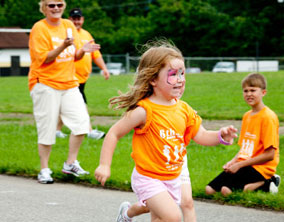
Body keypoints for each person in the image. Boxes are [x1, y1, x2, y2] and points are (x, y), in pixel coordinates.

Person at [94, 40, 238, 222]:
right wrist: (104, 165)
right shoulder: (144, 111)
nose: (180, 79)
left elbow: (200, 135)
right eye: (173, 74)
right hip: (148, 178)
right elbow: (114, 133)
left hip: (172, 177)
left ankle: (126, 215)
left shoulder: (184, 109)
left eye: (182, 73)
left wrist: (220, 136)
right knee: (173, 216)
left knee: (160, 218)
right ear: (153, 79)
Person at [29, 0, 101, 184]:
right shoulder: (40, 28)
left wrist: (82, 51)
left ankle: (70, 163)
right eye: (51, 5)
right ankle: (44, 169)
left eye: (59, 5)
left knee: (82, 124)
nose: (56, 8)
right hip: (45, 83)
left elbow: (74, 54)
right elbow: (44, 59)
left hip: (69, 83)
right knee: (47, 128)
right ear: (44, 8)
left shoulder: (68, 25)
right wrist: (62, 46)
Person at [205, 73, 281, 196]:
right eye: (246, 91)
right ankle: (250, 185)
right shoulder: (247, 116)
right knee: (209, 190)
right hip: (245, 165)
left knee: (226, 191)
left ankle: (268, 182)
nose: (249, 94)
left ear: (263, 92)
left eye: (253, 90)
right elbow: (245, 149)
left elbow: (270, 155)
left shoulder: (268, 117)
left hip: (260, 168)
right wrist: (232, 162)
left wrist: (239, 164)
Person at [56, 8, 110, 140]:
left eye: (78, 18)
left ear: (82, 19)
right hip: (70, 76)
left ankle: (55, 130)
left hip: (82, 78)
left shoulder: (86, 34)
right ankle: (89, 130)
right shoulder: (66, 34)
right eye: (73, 19)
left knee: (67, 105)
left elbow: (95, 54)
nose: (76, 21)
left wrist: (104, 68)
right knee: (80, 104)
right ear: (69, 19)